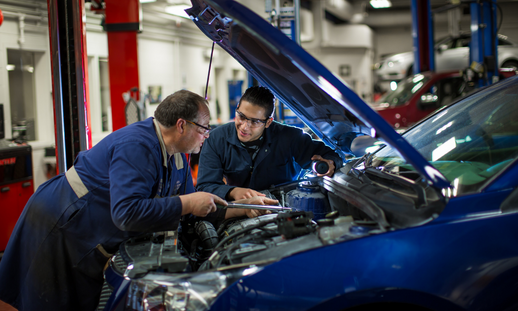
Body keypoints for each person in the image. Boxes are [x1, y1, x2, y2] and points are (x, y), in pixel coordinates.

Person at [0, 90, 276, 311]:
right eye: (204, 129)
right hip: (62, 222)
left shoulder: (178, 155)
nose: (207, 136)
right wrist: (188, 203)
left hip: (92, 229)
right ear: (182, 125)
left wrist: (242, 210)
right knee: (49, 300)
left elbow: (193, 211)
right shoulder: (137, 147)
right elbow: (127, 212)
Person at [197, 86, 343, 201]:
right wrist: (234, 192)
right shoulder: (216, 139)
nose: (244, 126)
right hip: (240, 211)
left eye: (254, 121)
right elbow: (205, 186)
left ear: (268, 122)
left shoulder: (290, 137)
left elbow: (332, 155)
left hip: (284, 209)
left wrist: (330, 163)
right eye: (241, 116)